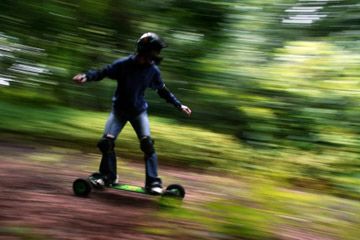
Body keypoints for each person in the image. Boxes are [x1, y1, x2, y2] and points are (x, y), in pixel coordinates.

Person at [73, 32, 192, 194]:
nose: (157, 54)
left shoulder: (152, 71)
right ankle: (108, 176)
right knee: (105, 143)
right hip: (119, 111)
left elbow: (162, 91)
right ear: (146, 50)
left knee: (147, 145)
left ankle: (153, 183)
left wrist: (179, 105)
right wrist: (86, 76)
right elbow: (103, 72)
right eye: (155, 50)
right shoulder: (123, 64)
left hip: (138, 112)